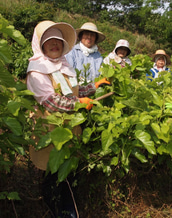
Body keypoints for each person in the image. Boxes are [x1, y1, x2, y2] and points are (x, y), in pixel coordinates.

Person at [26, 20, 110, 217]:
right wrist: (79, 104)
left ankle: (68, 208)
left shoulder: (63, 65)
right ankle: (54, 209)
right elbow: (51, 101)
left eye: (58, 40)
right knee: (51, 172)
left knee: (68, 171)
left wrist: (95, 86)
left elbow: (74, 90)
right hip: (50, 131)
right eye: (49, 41)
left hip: (70, 128)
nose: (55, 44)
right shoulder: (37, 70)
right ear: (40, 44)